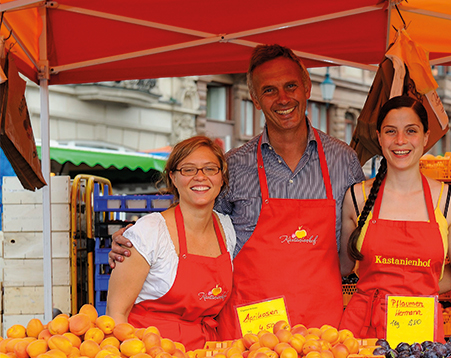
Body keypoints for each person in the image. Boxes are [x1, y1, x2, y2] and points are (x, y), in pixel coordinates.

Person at [110, 44, 365, 338]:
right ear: (255, 99)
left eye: (291, 86)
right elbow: (194, 228)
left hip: (322, 333)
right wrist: (135, 242)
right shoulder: (234, 165)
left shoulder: (344, 161)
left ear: (307, 86)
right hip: (250, 336)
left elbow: (362, 236)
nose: (283, 98)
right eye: (269, 90)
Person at [338, 96, 451, 340]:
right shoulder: (357, 197)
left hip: (421, 336)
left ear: (425, 137)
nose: (400, 140)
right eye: (391, 131)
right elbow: (342, 267)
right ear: (379, 137)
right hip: (362, 334)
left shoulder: (448, 199)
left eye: (411, 131)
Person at [106, 136, 235, 350]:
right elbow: (115, 314)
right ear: (173, 178)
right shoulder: (150, 232)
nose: (200, 177)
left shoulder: (227, 228)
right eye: (188, 169)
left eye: (210, 169)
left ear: (222, 177)